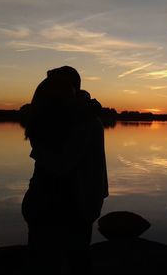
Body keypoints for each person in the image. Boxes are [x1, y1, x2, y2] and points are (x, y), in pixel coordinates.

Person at [22, 66, 108, 274]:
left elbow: (61, 166)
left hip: (73, 206)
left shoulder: (84, 122)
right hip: (63, 205)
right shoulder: (66, 119)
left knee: (69, 259)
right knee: (68, 259)